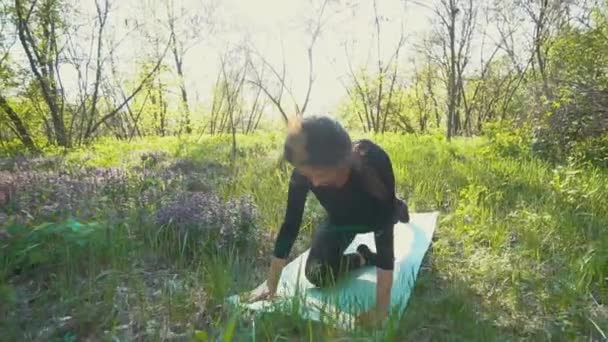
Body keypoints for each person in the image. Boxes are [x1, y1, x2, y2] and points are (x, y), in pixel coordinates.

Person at [246, 116, 409, 325]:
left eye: (320, 174)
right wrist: (271, 284)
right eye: (307, 174)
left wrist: (381, 309)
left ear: (341, 162)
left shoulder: (374, 162)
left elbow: (385, 240)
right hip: (340, 219)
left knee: (387, 213)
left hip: (374, 214)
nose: (313, 182)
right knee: (316, 274)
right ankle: (363, 258)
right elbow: (290, 225)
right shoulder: (303, 174)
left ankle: (396, 206)